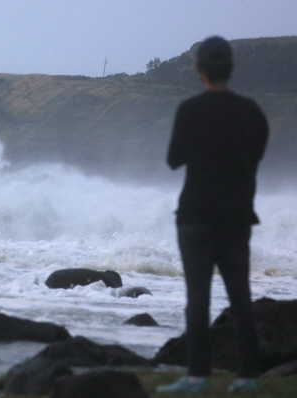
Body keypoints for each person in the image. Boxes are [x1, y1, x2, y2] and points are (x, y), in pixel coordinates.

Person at [157, 36, 269, 394]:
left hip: (195, 216)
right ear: (231, 69)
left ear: (200, 69)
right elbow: (257, 155)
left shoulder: (191, 110)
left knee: (198, 298)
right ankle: (246, 379)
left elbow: (174, 159)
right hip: (237, 217)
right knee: (241, 298)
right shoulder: (252, 111)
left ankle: (196, 378)